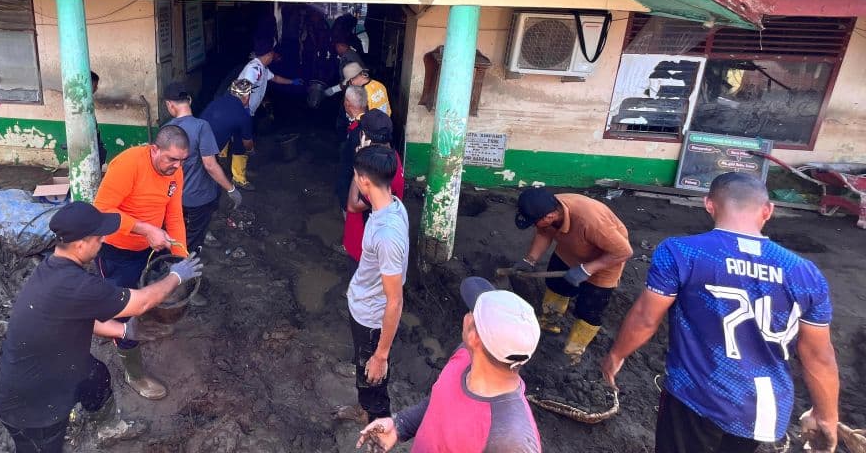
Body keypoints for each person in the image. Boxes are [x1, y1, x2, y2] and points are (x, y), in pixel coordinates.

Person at [601, 173, 840, 453]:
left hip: (696, 396)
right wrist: (826, 416)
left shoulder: (681, 252)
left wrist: (616, 355)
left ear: (709, 205)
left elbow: (645, 318)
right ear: (768, 210)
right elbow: (819, 356)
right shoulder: (805, 273)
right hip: (761, 408)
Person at [0, 202, 203, 452]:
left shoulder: (53, 269)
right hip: (31, 404)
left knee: (97, 377)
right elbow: (142, 302)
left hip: (60, 362)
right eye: (98, 237)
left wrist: (124, 331)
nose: (103, 240)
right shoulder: (77, 285)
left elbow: (80, 316)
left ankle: (107, 427)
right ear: (80, 244)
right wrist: (176, 276)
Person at [357, 277, 542, 453]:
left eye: (472, 312)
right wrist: (400, 425)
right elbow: (440, 401)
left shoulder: (511, 440)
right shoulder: (466, 355)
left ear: (474, 337)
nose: (467, 315)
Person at [92, 124, 190, 399]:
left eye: (183, 160)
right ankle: (134, 374)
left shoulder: (175, 172)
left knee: (151, 291)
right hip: (116, 250)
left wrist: (180, 257)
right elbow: (102, 210)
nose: (177, 166)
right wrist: (146, 229)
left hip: (150, 248)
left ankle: (144, 321)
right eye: (172, 159)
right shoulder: (128, 165)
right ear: (154, 149)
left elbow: (174, 214)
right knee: (122, 309)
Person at [510, 188, 632, 362]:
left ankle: (574, 350)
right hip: (570, 251)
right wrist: (530, 260)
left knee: (588, 310)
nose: (533, 225)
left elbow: (624, 252)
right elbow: (544, 233)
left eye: (534, 222)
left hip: (605, 262)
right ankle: (549, 321)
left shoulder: (591, 222)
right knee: (556, 286)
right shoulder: (548, 207)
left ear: (549, 217)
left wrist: (587, 269)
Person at [338, 145, 409, 425]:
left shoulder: (386, 235)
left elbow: (395, 300)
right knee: (363, 370)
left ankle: (377, 426)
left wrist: (381, 354)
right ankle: (364, 410)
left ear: (363, 180)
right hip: (364, 308)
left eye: (355, 175)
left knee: (373, 378)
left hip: (372, 318)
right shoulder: (392, 205)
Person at [162, 82, 242, 278]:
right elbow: (210, 165)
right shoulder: (201, 127)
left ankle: (170, 262)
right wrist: (231, 189)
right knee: (193, 239)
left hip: (174, 197)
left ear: (170, 105)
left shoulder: (166, 130)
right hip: (200, 198)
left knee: (176, 231)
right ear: (189, 100)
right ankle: (181, 276)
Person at [344, 109, 405, 263]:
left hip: (365, 248)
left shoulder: (375, 171)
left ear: (364, 136)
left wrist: (360, 162)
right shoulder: (392, 157)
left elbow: (353, 206)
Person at [201, 78, 256, 190]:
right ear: (246, 97)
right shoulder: (243, 116)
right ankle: (237, 179)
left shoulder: (218, 100)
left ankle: (223, 160)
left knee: (235, 130)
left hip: (194, 138)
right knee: (242, 138)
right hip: (207, 152)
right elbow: (247, 142)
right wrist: (251, 150)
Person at [237, 40, 303, 118]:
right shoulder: (254, 68)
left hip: (247, 111)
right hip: (240, 111)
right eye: (272, 53)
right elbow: (241, 89)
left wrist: (292, 81)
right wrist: (245, 108)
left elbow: (275, 78)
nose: (273, 56)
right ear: (269, 54)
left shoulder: (263, 68)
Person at [335, 85, 369, 214]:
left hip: (354, 192)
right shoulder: (369, 122)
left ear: (347, 104)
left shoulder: (358, 133)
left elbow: (353, 167)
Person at [91, 70, 108, 168]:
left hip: (94, 136)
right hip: (90, 139)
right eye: (95, 85)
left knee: (100, 156)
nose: (96, 88)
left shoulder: (88, 100)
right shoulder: (81, 101)